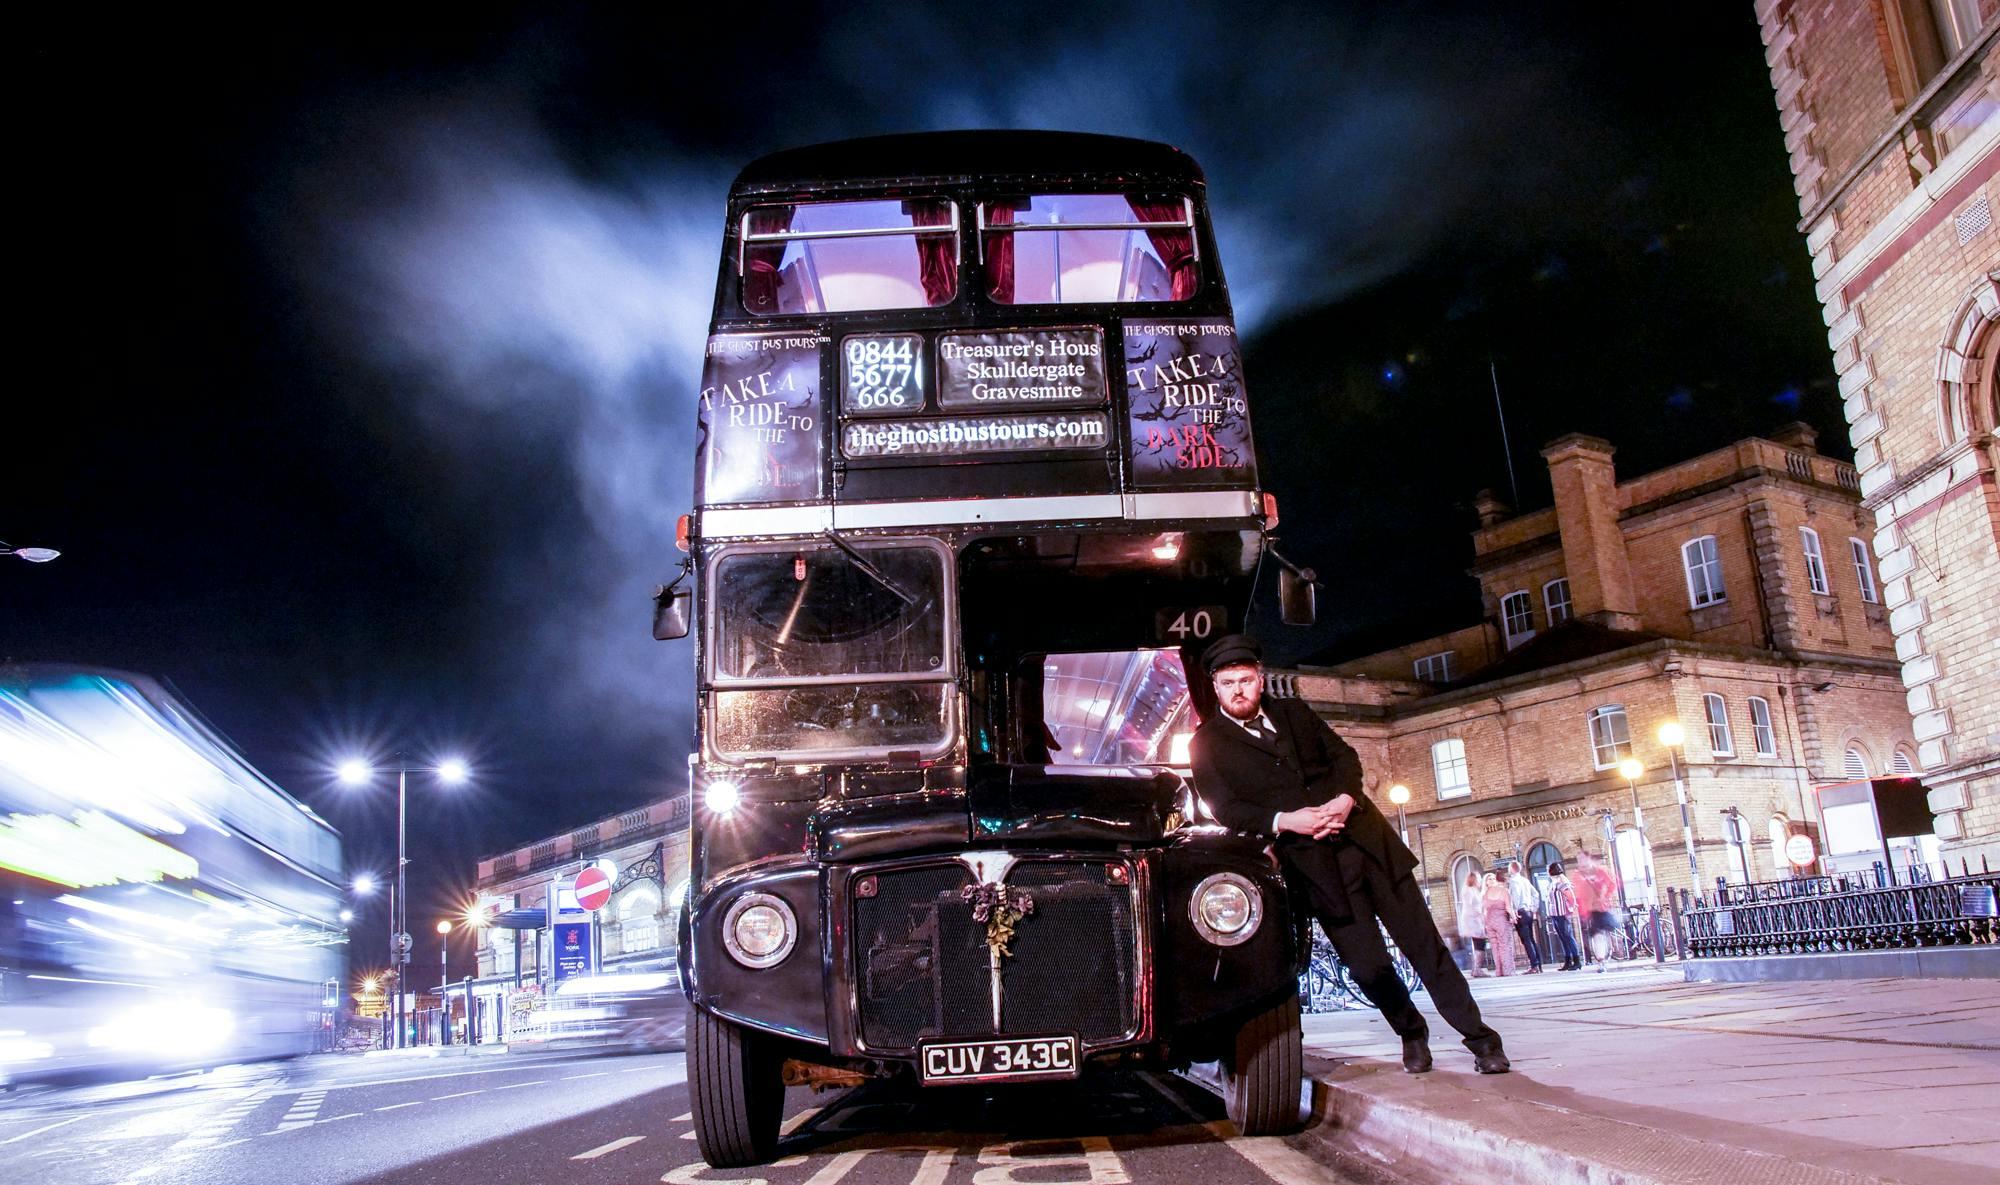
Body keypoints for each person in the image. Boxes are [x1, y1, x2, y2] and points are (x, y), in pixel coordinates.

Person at [1190, 634, 1509, 1075]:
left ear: (1260, 680)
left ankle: (1482, 1041)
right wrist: (1287, 820)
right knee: (1368, 967)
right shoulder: (1207, 743)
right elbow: (1225, 807)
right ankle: (1411, 1031)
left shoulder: (1295, 712)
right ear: (1215, 687)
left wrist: (1345, 798)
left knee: (1426, 949)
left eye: (1245, 680)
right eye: (1228, 684)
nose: (1238, 691)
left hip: (1369, 846)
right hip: (1315, 868)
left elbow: (1345, 758)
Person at [1571, 850, 1622, 972]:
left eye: (1583, 859)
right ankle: (1602, 961)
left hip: (1602, 908)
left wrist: (1605, 896)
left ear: (1589, 858)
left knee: (1601, 933)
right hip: (1590, 910)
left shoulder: (1601, 871)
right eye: (1579, 860)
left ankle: (1605, 958)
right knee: (1597, 935)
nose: (1581, 862)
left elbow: (1612, 884)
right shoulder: (1578, 875)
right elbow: (1579, 892)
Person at [1505, 863, 1545, 973]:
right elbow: (1536, 894)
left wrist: (1514, 911)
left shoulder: (1513, 881)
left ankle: (1534, 965)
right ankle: (1538, 965)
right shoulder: (1525, 880)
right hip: (1528, 912)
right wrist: (1533, 908)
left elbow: (1516, 896)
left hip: (1520, 912)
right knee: (1531, 939)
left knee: (1526, 940)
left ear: (1512, 869)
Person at [1546, 861, 1583, 971]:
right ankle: (1568, 961)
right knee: (1563, 938)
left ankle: (1577, 961)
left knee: (1568, 937)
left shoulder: (1561, 882)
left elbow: (1571, 896)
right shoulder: (1553, 883)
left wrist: (1570, 910)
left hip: (1562, 913)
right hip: (1555, 914)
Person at [1480, 871, 1516, 976]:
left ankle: (1499, 971)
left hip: (1489, 922)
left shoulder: (1484, 895)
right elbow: (1508, 907)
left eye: (1493, 878)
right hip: (1501, 921)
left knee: (1495, 947)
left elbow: (1483, 911)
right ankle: (1508, 971)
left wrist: (1484, 924)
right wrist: (1514, 917)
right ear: (1486, 882)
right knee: (1505, 945)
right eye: (1490, 879)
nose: (1492, 880)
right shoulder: (1503, 891)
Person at [1456, 869, 1488, 977]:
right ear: (1474, 879)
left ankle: (1476, 968)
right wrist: (1479, 914)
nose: (1480, 880)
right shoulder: (1469, 891)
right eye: (1478, 878)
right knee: (1479, 944)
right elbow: (1469, 906)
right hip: (1473, 920)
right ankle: (1477, 969)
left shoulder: (1473, 890)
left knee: (1478, 944)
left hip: (1475, 920)